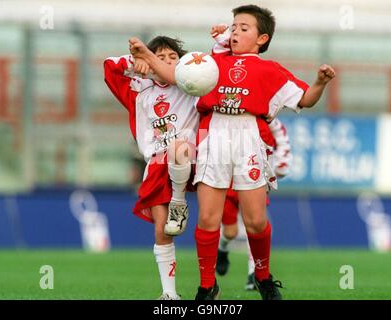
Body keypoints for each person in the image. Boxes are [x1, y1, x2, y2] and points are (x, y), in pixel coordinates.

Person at [130, 4, 335, 301]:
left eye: (243, 28)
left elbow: (304, 99)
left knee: (255, 220)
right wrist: (146, 54)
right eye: (234, 26)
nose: (235, 31)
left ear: (261, 39)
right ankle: (206, 286)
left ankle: (263, 277)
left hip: (248, 137)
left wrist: (320, 82)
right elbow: (173, 75)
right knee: (208, 220)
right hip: (214, 135)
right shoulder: (212, 62)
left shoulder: (270, 69)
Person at [104, 36, 199, 300]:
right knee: (162, 229)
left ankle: (179, 203)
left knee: (180, 146)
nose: (166, 62)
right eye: (159, 56)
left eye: (172, 57)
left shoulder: (190, 84)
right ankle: (169, 294)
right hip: (157, 164)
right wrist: (135, 61)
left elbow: (212, 69)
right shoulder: (139, 88)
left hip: (195, 159)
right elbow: (109, 67)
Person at [216, 118, 292, 291]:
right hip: (228, 184)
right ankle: (222, 248)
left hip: (255, 181)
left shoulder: (268, 121)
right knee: (230, 232)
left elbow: (282, 139)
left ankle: (254, 274)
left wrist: (281, 165)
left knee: (256, 226)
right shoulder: (227, 120)